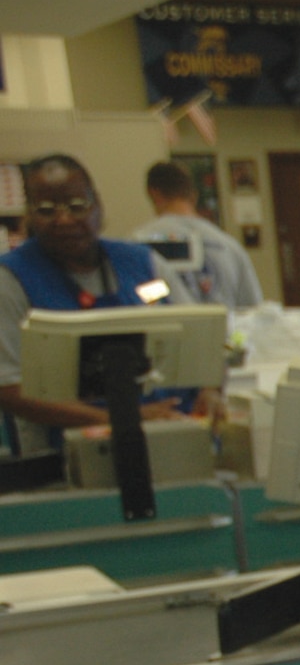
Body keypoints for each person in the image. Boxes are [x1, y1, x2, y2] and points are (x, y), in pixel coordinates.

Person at [0, 154, 190, 453]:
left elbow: (204, 341)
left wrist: (211, 391)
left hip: (169, 439)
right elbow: (9, 389)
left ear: (97, 206)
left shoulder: (144, 264)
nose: (64, 220)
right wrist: (120, 420)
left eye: (77, 206)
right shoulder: (11, 280)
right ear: (30, 216)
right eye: (47, 210)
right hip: (66, 459)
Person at [135, 160, 263, 308]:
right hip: (223, 330)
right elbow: (253, 310)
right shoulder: (229, 247)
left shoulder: (138, 245)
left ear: (154, 193)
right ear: (193, 196)